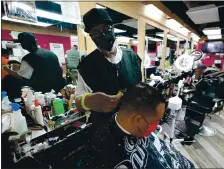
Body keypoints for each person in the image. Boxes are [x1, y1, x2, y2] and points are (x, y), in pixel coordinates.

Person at [64, 83, 194, 169]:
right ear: (137, 120)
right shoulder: (104, 150)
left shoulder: (132, 127)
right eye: (156, 120)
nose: (157, 125)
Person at [75, 8, 142, 128]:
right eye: (95, 32)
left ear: (113, 28)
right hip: (103, 127)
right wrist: (89, 101)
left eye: (105, 28)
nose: (101, 34)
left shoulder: (132, 57)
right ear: (91, 36)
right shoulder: (86, 65)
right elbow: (78, 101)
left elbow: (140, 87)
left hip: (131, 122)